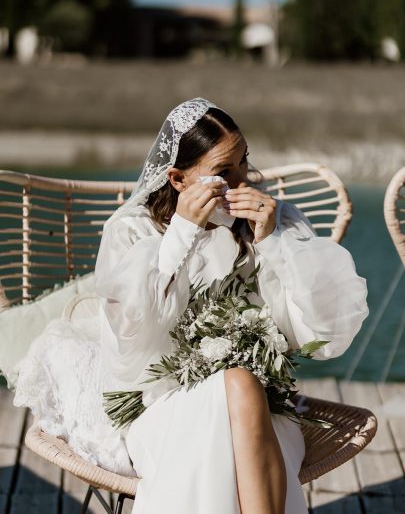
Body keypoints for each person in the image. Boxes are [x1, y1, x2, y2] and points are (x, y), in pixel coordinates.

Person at [94, 98, 369, 514]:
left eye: (244, 163)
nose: (242, 183)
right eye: (224, 172)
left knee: (241, 385)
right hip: (163, 408)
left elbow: (324, 333)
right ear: (177, 179)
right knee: (237, 386)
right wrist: (182, 235)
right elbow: (131, 348)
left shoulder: (273, 222)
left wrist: (273, 242)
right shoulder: (133, 232)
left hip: (267, 413)